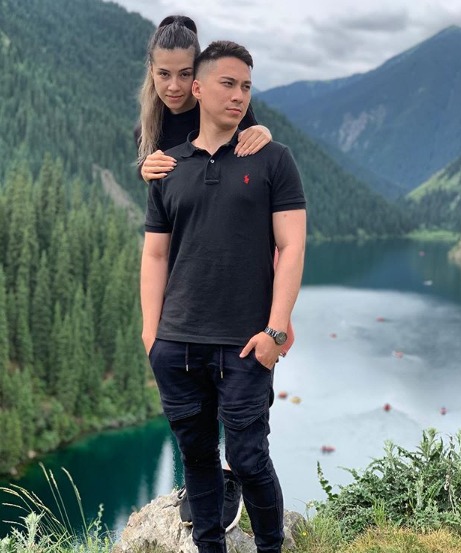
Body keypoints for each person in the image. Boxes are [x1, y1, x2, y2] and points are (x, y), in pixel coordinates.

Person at [140, 39, 306, 553]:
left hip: (246, 343)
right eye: (228, 84)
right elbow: (155, 256)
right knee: (197, 459)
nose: (238, 95)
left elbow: (292, 246)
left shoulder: (273, 159)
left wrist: (275, 330)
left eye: (246, 87)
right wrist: (152, 336)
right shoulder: (169, 168)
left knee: (249, 459)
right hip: (178, 344)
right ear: (197, 88)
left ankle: (271, 548)